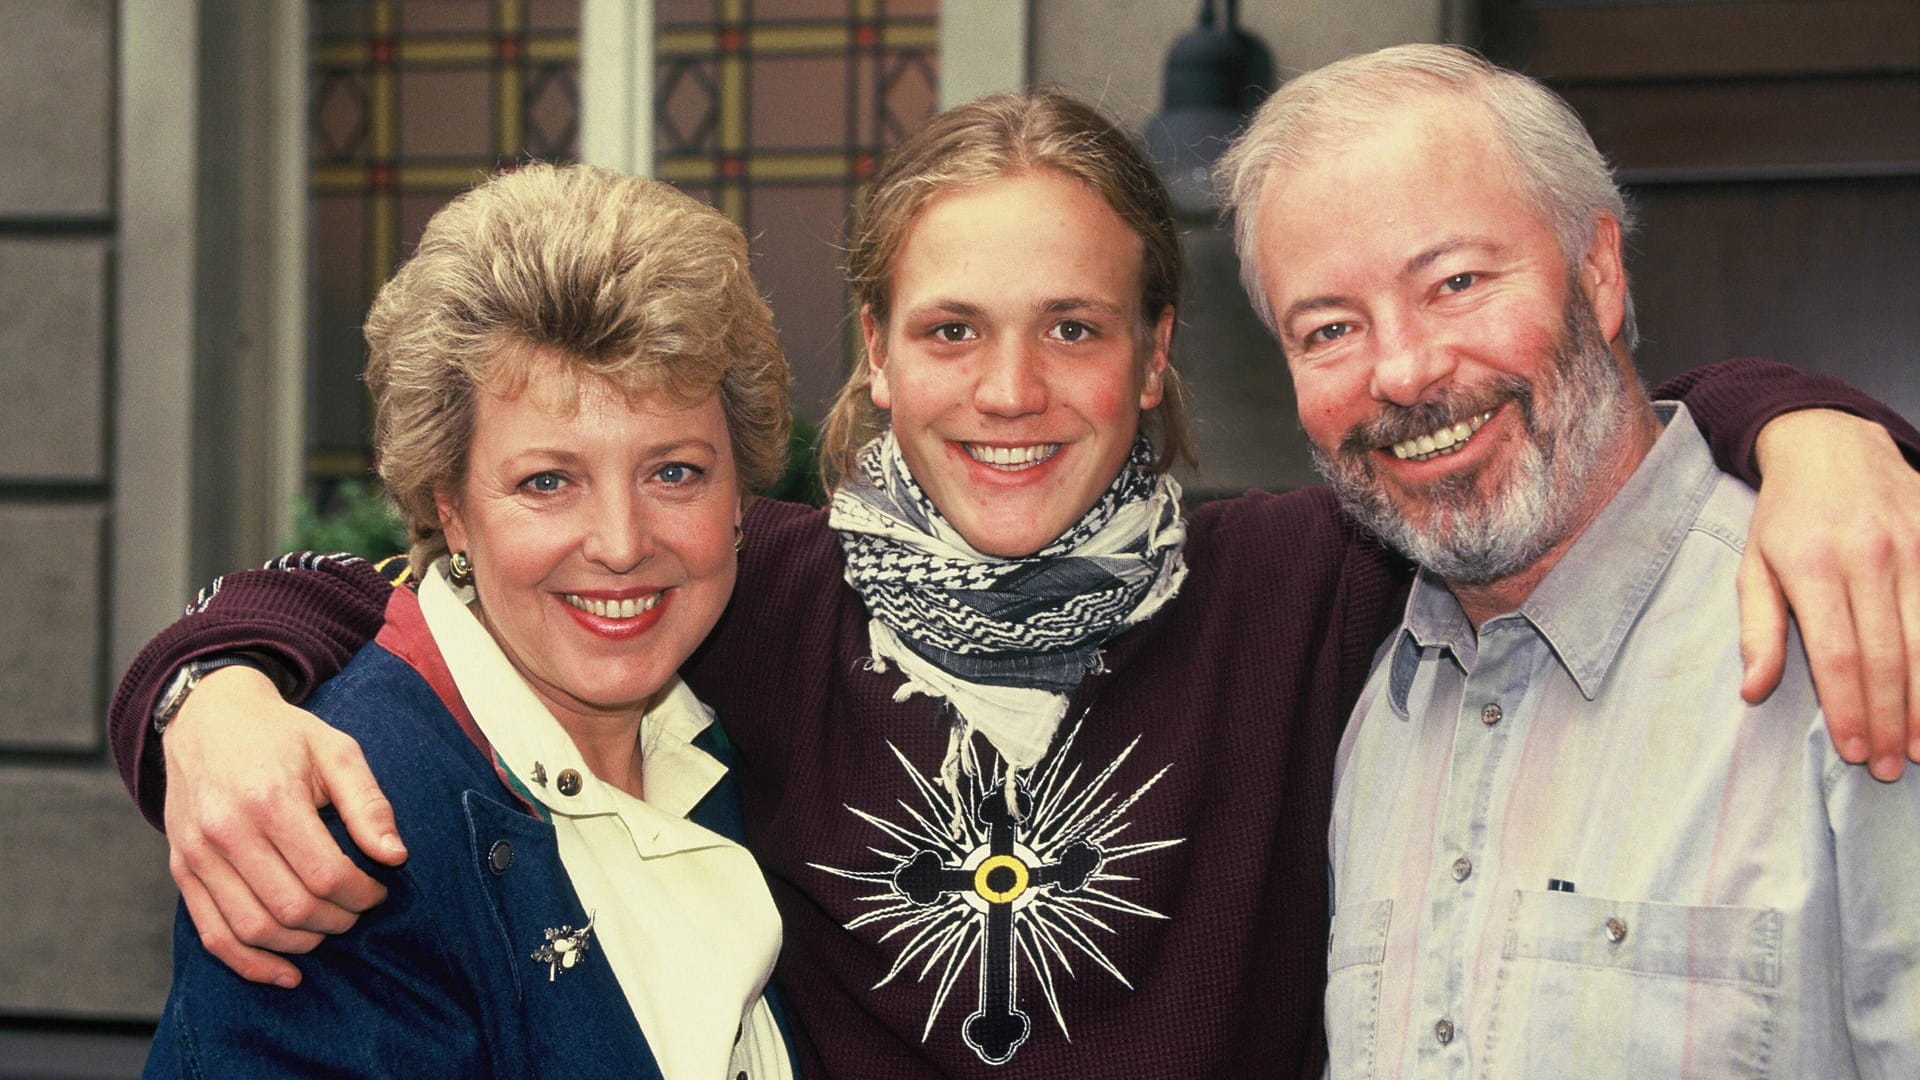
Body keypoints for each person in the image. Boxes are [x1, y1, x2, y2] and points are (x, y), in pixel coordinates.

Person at [113, 93, 1920, 1077]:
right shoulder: (748, 581)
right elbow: (425, 587)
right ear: (876, 359)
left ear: (1153, 361)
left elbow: (1557, 448)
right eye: (952, 331)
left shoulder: (1310, 583)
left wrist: (1826, 433)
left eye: (1075, 329)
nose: (1009, 391)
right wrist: (214, 695)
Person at [1217, 44, 1920, 1077]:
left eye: (1456, 282)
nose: (1403, 372)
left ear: (1597, 274)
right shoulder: (1357, 687)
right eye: (1329, 328)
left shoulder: (1855, 620)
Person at [144, 163, 799, 1078]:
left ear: (742, 494)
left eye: (675, 472)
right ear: (450, 505)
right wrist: (199, 692)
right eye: (547, 482)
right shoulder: (338, 826)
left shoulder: (754, 704)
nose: (620, 543)